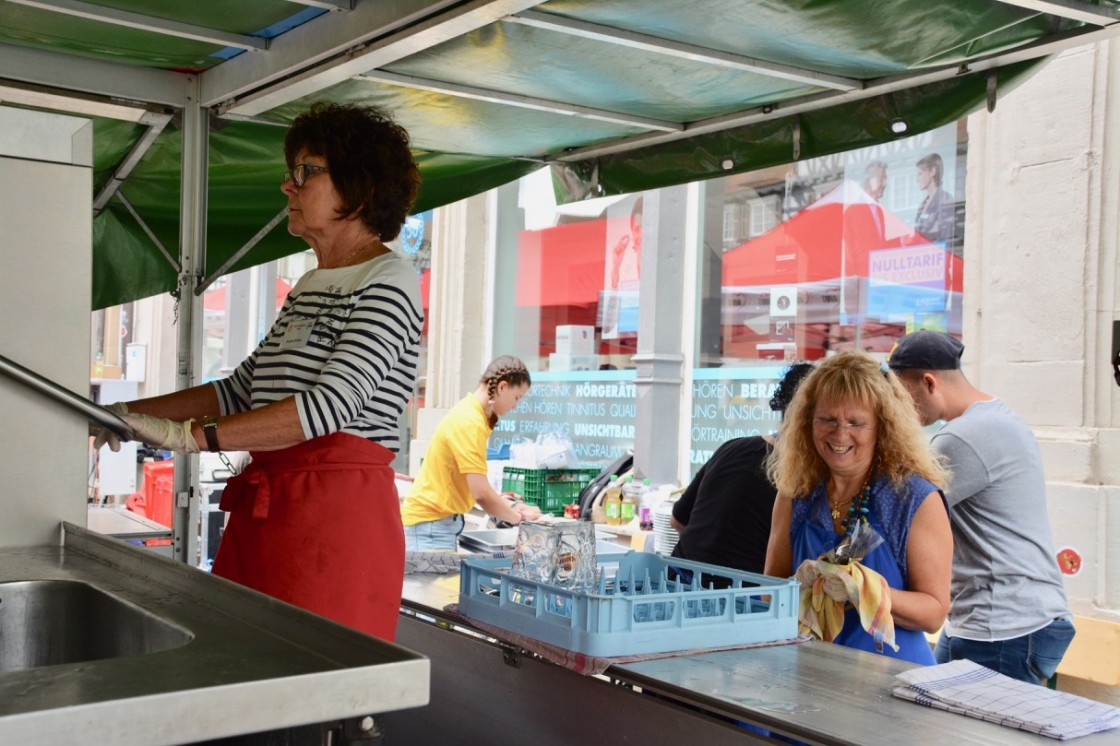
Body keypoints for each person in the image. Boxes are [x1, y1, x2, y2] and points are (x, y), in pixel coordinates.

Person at [94, 102, 423, 642]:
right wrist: (125, 416)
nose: (287, 187)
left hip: (335, 525)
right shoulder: (310, 286)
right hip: (272, 514)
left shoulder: (390, 279)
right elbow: (239, 391)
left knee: (310, 695)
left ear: (359, 190)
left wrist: (190, 438)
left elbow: (330, 406)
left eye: (306, 172)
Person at [888, 330, 1075, 684]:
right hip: (1011, 618)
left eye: (900, 395)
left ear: (929, 383)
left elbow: (895, 511)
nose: (898, 408)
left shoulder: (961, 438)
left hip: (1004, 627)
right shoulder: (998, 417)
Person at [764, 351, 953, 665]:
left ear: (882, 427)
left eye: (856, 423)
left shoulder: (913, 498)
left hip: (893, 682)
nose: (840, 434)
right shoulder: (797, 493)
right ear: (807, 421)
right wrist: (797, 585)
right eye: (827, 419)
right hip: (808, 674)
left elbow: (934, 613)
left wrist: (866, 590)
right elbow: (769, 589)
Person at [670, 362, 815, 575]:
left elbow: (677, 521)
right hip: (739, 598)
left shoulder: (733, 447)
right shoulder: (803, 476)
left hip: (676, 581)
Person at [399, 356, 541, 550]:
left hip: (433, 525)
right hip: (429, 526)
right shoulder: (470, 421)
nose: (516, 405)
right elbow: (481, 492)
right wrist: (520, 519)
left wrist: (511, 507)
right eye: (517, 397)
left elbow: (476, 487)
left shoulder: (473, 415)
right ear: (502, 387)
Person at [912, 153, 955, 245]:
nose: (917, 179)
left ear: (932, 172)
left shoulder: (945, 200)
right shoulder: (923, 204)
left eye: (920, 174)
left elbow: (947, 237)